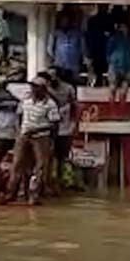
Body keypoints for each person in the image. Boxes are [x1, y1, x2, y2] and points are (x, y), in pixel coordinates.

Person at [0, 74, 60, 206]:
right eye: (32, 87)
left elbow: (54, 124)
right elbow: (19, 116)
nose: (33, 89)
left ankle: (34, 195)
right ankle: (11, 193)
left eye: (36, 87)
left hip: (41, 137)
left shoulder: (50, 104)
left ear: (43, 89)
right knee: (17, 164)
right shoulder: (25, 100)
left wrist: (43, 135)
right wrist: (20, 131)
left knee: (40, 167)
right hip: (24, 134)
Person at [46, 67, 78, 195]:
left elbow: (75, 106)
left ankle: (60, 183)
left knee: (61, 158)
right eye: (49, 76)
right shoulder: (45, 89)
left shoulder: (68, 89)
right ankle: (48, 183)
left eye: (53, 76)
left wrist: (75, 124)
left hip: (64, 129)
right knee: (48, 157)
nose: (51, 79)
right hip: (48, 129)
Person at [48, 8, 85, 83]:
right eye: (63, 20)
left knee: (72, 84)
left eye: (66, 20)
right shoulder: (56, 34)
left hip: (73, 65)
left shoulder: (77, 34)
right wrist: (55, 58)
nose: (65, 22)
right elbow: (50, 48)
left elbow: (82, 48)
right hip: (59, 64)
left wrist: (81, 59)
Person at [106, 20, 130, 103]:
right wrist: (111, 61)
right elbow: (108, 51)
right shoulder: (114, 38)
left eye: (124, 27)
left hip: (126, 65)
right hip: (115, 65)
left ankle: (122, 101)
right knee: (113, 86)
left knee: (125, 85)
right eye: (121, 27)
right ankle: (112, 102)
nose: (123, 29)